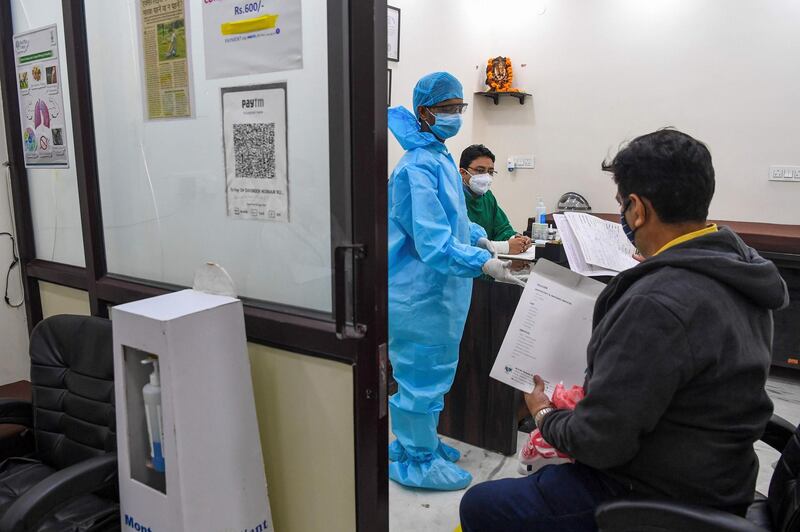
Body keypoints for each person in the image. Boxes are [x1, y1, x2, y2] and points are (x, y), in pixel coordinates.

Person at [459, 128, 789, 530]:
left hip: (653, 490)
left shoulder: (657, 303)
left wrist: (544, 413)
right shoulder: (737, 267)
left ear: (637, 209)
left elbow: (598, 442)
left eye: (620, 204)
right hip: (721, 476)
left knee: (481, 504)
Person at [388, 72, 524, 491]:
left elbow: (454, 219)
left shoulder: (440, 156)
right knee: (419, 377)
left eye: (458, 108)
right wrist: (483, 263)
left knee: (434, 375)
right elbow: (432, 242)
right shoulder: (417, 166)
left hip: (439, 294)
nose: (454, 116)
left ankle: (417, 443)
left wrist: (484, 240)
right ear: (424, 111)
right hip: (419, 295)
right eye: (447, 109)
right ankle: (416, 460)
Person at [459, 144, 531, 256]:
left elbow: (502, 229)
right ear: (463, 172)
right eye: (480, 170)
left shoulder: (487, 197)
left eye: (490, 171)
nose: (486, 176)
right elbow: (459, 243)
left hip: (488, 268)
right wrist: (505, 247)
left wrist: (517, 239)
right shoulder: (454, 198)